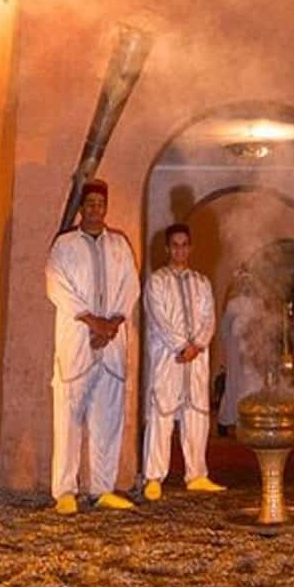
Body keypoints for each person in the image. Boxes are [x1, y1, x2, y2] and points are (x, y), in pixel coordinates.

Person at [45, 179, 139, 515]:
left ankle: (102, 488)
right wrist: (91, 321)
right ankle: (65, 491)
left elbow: (131, 287)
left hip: (111, 343)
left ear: (106, 208)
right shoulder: (64, 245)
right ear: (82, 208)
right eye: (91, 204)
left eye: (101, 204)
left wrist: (111, 325)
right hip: (77, 341)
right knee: (69, 419)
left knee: (108, 419)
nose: (96, 209)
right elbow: (57, 286)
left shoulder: (119, 245)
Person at [142, 223, 224, 500]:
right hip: (169, 358)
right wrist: (181, 345)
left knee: (196, 415)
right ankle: (154, 477)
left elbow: (209, 318)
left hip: (196, 360)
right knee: (161, 414)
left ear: (190, 248)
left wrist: (197, 345)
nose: (180, 250)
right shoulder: (157, 281)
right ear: (168, 248)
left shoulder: (202, 282)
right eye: (175, 245)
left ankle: (197, 474)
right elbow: (159, 318)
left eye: (184, 245)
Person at [217, 266, 265, 433]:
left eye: (249, 282)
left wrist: (257, 341)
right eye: (243, 282)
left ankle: (251, 418)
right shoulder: (233, 304)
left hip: (253, 347)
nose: (247, 286)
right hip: (235, 348)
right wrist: (229, 345)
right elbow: (225, 327)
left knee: (254, 380)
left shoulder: (258, 304)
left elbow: (262, 325)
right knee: (234, 383)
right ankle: (227, 419)